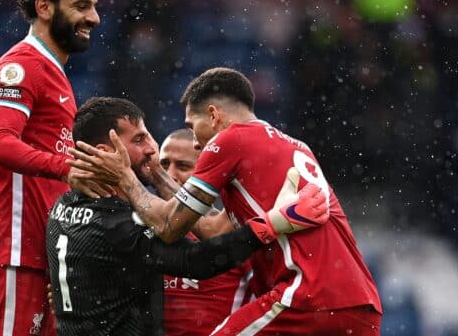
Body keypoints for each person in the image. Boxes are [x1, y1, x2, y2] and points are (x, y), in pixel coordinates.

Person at [68, 67, 383, 335]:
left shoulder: (230, 140)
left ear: (213, 115)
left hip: (306, 297)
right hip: (360, 304)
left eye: (193, 127)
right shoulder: (292, 146)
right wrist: (156, 177)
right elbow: (217, 232)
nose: (195, 141)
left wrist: (126, 177)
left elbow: (168, 227)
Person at [46, 96, 326, 336]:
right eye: (139, 140)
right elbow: (195, 259)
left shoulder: (63, 206)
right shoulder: (126, 222)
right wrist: (274, 222)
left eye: (182, 166)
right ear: (108, 152)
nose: (151, 151)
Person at [0, 0, 104, 336]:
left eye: (93, 7)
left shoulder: (55, 74)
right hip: (11, 247)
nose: (94, 18)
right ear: (43, 7)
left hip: (42, 252)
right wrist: (68, 169)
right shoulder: (22, 66)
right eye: (81, 6)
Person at [159, 129, 254, 336]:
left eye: (182, 166)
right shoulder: (142, 231)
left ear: (206, 173)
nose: (169, 176)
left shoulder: (239, 234)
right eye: (164, 165)